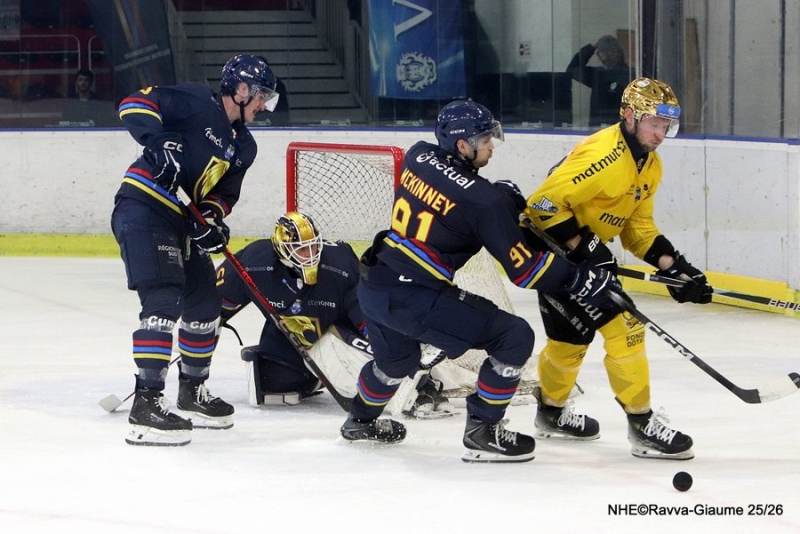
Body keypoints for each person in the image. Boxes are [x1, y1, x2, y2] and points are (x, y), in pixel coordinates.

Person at [341, 99, 621, 463]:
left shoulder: (418, 156)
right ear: (462, 145)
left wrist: (498, 202)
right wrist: (578, 278)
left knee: (395, 361)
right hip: (414, 296)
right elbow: (526, 271)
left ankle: (359, 421)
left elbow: (451, 195)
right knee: (513, 336)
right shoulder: (485, 203)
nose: (492, 145)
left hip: (374, 286)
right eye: (485, 138)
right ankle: (483, 430)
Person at [523, 77, 713, 460]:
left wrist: (676, 267)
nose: (660, 134)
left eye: (665, 126)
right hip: (556, 253)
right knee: (623, 327)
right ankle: (642, 425)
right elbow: (540, 207)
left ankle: (551, 413)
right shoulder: (603, 156)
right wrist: (588, 247)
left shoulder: (649, 164)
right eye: (653, 124)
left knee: (569, 342)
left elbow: (637, 229)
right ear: (629, 116)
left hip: (579, 256)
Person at [111, 54, 280, 447]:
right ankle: (147, 404)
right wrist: (159, 141)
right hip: (145, 207)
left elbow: (224, 195)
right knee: (163, 300)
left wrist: (211, 221)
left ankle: (192, 392)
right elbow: (133, 104)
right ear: (241, 90)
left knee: (205, 305)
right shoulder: (193, 100)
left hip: (183, 223)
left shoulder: (245, 145)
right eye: (261, 97)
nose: (263, 106)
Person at [216, 211, 450, 417]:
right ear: (281, 250)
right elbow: (215, 307)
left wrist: (386, 345)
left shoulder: (339, 264)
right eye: (300, 249)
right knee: (270, 383)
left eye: (314, 246)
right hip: (292, 337)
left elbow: (365, 312)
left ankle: (420, 382)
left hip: (337, 329)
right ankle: (314, 376)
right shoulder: (252, 263)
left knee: (377, 358)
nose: (310, 254)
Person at [567, 35, 632, 127]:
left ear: (616, 53)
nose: (602, 56)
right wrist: (592, 47)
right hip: (597, 127)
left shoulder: (629, 75)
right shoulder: (597, 75)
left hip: (619, 129)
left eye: (603, 52)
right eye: (600, 53)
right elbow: (572, 70)